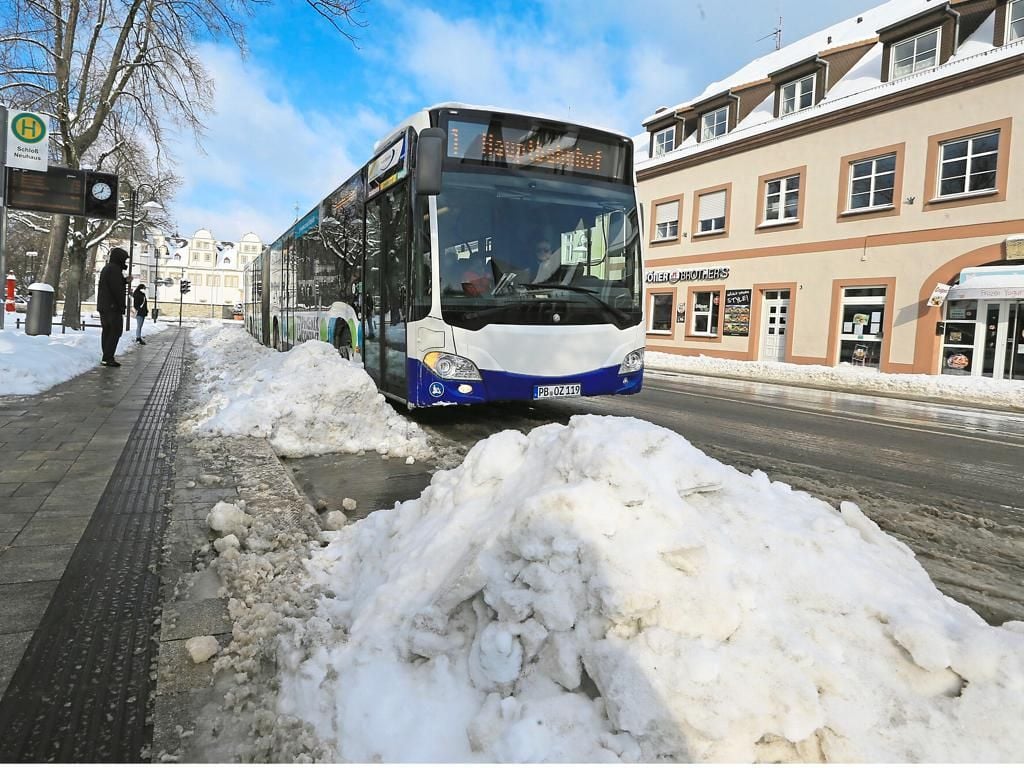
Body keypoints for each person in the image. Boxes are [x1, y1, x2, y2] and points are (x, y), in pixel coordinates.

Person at [97, 247, 129, 367]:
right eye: (124, 260)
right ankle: (108, 357)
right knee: (115, 331)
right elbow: (117, 290)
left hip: (103, 306)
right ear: (119, 259)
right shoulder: (115, 270)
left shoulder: (107, 268)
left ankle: (106, 356)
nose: (125, 263)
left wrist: (124, 281)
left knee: (107, 330)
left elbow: (111, 284)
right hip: (112, 306)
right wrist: (121, 305)